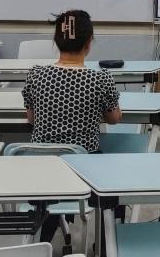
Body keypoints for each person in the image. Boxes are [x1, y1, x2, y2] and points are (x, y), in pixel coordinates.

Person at [22, 9, 121, 153]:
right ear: (89, 42)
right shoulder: (101, 79)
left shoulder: (35, 75)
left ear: (56, 40)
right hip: (84, 160)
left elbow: (32, 120)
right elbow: (113, 119)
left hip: (43, 160)